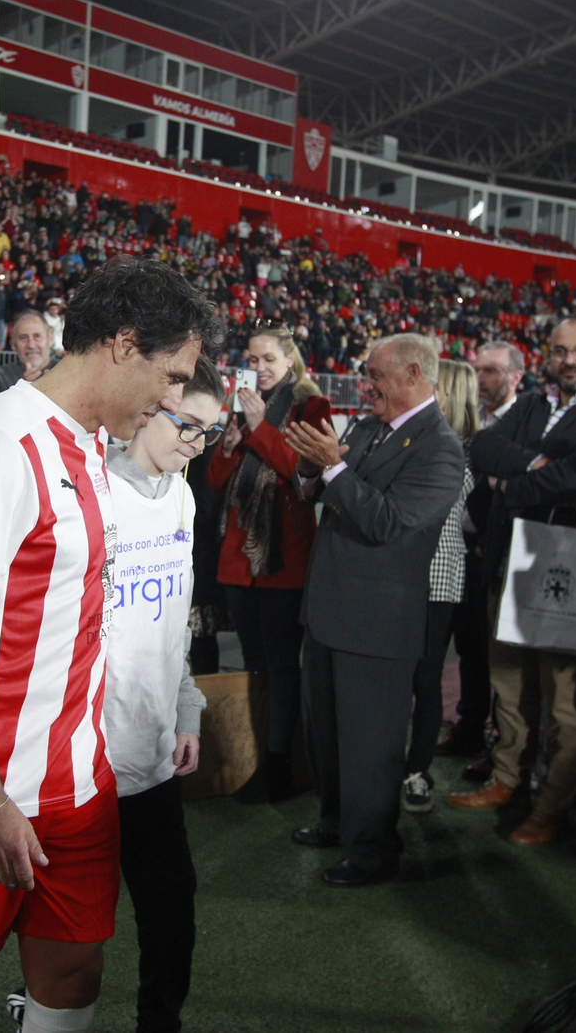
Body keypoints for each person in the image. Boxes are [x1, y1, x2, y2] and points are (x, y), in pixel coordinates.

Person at [0, 255, 219, 1033]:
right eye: (171, 375)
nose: (172, 398)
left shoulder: (94, 443)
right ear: (124, 344)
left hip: (77, 775)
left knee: (72, 968)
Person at [284, 334, 463, 886]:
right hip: (330, 609)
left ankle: (373, 851)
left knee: (371, 745)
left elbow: (389, 523)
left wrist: (333, 471)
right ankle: (336, 821)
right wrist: (314, 470)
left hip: (379, 623)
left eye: (375, 375)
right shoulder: (367, 427)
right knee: (328, 734)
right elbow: (317, 492)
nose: (366, 386)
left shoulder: (441, 448)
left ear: (413, 374)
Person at [447, 314, 576, 847]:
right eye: (561, 350)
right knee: (508, 683)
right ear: (547, 355)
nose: (570, 360)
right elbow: (484, 450)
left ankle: (551, 805)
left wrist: (513, 484)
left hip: (569, 567)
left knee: (564, 700)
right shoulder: (533, 403)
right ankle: (507, 780)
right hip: (511, 561)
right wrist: (538, 471)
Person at [98, 356, 223, 1033]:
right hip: (82, 753)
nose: (195, 443)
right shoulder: (91, 492)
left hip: (149, 748)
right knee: (69, 928)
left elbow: (173, 620)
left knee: (172, 909)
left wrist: (186, 712)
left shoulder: (183, 494)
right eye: (188, 425)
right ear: (150, 411)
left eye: (209, 432)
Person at [204, 326, 333, 803]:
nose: (258, 368)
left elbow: (303, 474)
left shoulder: (312, 406)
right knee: (255, 664)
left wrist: (259, 429)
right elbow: (216, 483)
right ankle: (255, 756)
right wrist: (231, 442)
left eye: (268, 359)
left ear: (289, 359)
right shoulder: (243, 408)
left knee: (281, 666)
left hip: (284, 558)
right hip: (239, 558)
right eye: (252, 359)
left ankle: (280, 763)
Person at [401, 359, 479, 813]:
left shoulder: (460, 450)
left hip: (436, 575)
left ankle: (417, 769)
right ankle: (401, 764)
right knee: (406, 676)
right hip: (411, 572)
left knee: (425, 678)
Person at [440, 340, 524, 761]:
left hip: (494, 555)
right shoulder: (476, 425)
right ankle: (470, 727)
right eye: (478, 371)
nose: (482, 380)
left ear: (516, 377)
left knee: (492, 654)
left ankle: (502, 742)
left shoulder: (522, 425)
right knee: (469, 649)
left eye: (492, 371)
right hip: (464, 553)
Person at [0, 311, 60, 399]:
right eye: (23, 338)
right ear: (13, 344)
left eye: (37, 336)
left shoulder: (68, 373)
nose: (31, 345)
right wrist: (23, 390)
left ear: (50, 339)